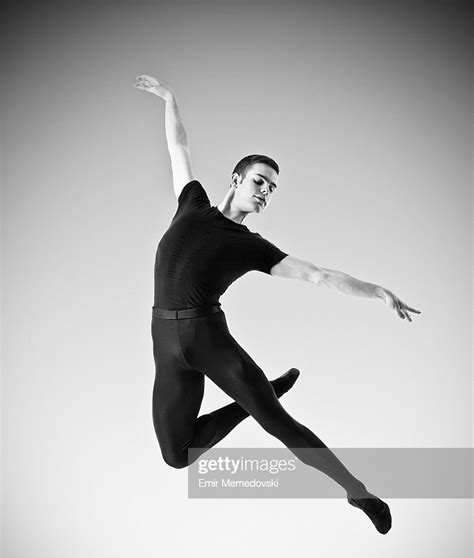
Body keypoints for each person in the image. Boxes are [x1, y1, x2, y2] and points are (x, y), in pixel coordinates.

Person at [134, 74, 421, 534]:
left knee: (281, 425)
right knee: (176, 455)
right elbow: (178, 147)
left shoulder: (253, 246)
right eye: (261, 181)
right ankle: (258, 396)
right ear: (237, 178)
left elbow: (318, 275)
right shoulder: (191, 202)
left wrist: (377, 290)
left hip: (207, 338)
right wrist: (169, 98)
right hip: (164, 345)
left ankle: (358, 492)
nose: (265, 192)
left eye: (271, 189)